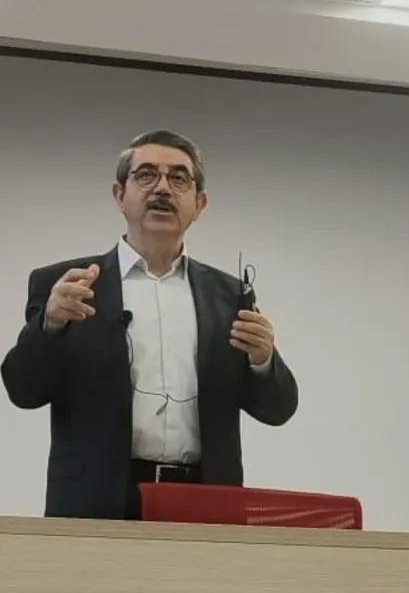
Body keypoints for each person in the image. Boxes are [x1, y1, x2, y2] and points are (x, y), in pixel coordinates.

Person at [1, 130, 298, 519]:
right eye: (146, 175)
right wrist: (51, 324)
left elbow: (278, 410)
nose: (162, 188)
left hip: (204, 502)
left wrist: (263, 358)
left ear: (200, 204)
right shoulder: (68, 286)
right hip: (96, 504)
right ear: (119, 195)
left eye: (178, 178)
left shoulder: (229, 296)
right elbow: (23, 391)